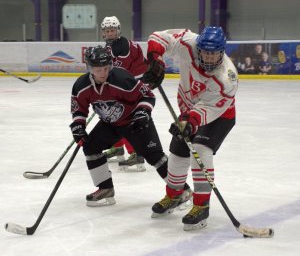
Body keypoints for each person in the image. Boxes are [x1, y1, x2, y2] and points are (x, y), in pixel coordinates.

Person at [70, 45, 192, 207]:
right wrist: (78, 126)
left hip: (135, 121)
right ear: (90, 68)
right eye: (98, 69)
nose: (103, 73)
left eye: (106, 68)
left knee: (155, 157)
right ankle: (105, 189)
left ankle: (182, 190)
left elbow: (147, 95)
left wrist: (142, 113)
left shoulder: (122, 79)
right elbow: (79, 108)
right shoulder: (81, 86)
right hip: (110, 124)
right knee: (91, 147)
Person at [143, 27, 238, 231]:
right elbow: (159, 36)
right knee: (177, 153)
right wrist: (155, 58)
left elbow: (208, 109)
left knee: (200, 151)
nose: (209, 57)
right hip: (188, 110)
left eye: (214, 53)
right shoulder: (189, 42)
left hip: (218, 116)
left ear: (222, 52)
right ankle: (175, 195)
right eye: (205, 52)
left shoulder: (226, 79)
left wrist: (189, 121)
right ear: (199, 48)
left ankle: (201, 205)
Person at [100, 16, 148, 171]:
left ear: (118, 30)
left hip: (133, 87)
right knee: (110, 117)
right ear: (103, 33)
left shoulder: (122, 46)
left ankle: (136, 154)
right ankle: (118, 148)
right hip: (127, 84)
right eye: (107, 31)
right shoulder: (111, 45)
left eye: (113, 30)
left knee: (122, 120)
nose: (110, 33)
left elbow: (120, 72)